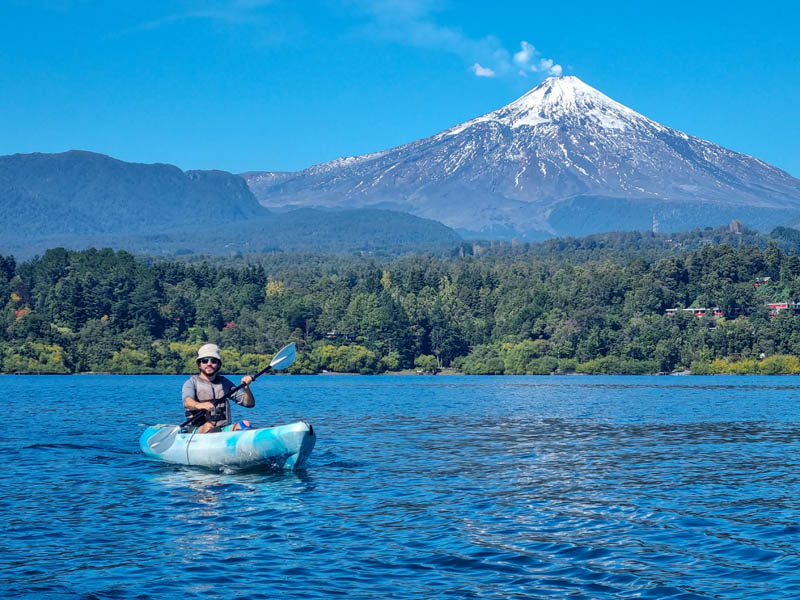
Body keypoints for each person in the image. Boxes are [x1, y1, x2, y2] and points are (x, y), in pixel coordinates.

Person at [182, 343, 255, 433]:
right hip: (198, 429)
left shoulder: (225, 383)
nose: (209, 364)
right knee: (208, 426)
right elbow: (187, 402)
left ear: (218, 365)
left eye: (213, 361)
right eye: (205, 361)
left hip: (222, 429)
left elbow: (249, 404)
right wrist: (199, 405)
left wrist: (246, 388)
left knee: (245, 423)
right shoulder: (191, 382)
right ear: (199, 364)